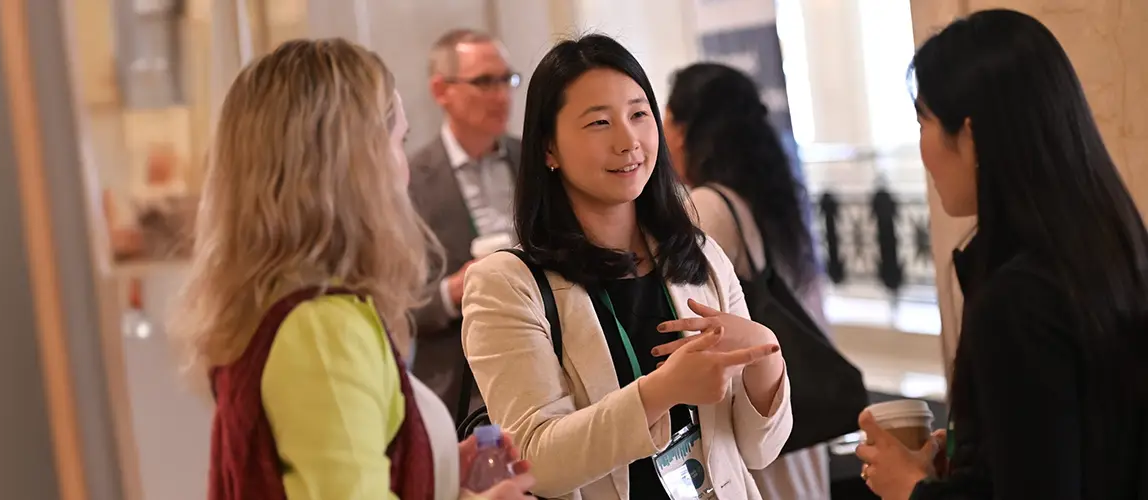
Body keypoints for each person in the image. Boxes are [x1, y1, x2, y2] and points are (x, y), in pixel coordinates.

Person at [180, 38, 536, 500]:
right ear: (357, 164)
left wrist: (438, 473)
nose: (404, 168)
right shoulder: (322, 330)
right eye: (397, 141)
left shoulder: (295, 305)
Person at [461, 34, 793, 500]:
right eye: (599, 122)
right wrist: (661, 391)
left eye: (639, 114)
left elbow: (759, 452)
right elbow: (535, 461)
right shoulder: (507, 284)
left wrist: (767, 357)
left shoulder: (696, 255)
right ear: (548, 149)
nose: (629, 140)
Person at [854, 9, 1148, 500]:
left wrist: (910, 488)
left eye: (923, 121)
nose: (922, 146)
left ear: (968, 136)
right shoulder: (1111, 244)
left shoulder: (1017, 299)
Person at [665, 62, 830, 500]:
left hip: (758, 415)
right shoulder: (768, 198)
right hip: (789, 406)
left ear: (683, 131)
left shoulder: (707, 206)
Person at [408, 28, 526, 423]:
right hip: (459, 386)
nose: (502, 95)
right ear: (441, 91)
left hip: (542, 358)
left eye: (507, 79)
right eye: (484, 82)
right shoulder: (409, 181)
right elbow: (392, 305)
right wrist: (452, 291)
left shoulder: (534, 160)